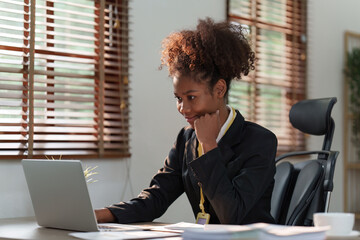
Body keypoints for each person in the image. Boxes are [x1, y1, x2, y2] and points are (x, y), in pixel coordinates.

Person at [95, 18, 277, 225]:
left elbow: (231, 215)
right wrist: (98, 215)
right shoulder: (186, 139)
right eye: (178, 98)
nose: (183, 108)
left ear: (219, 90)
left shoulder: (259, 141)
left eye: (191, 97)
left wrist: (209, 145)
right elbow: (155, 199)